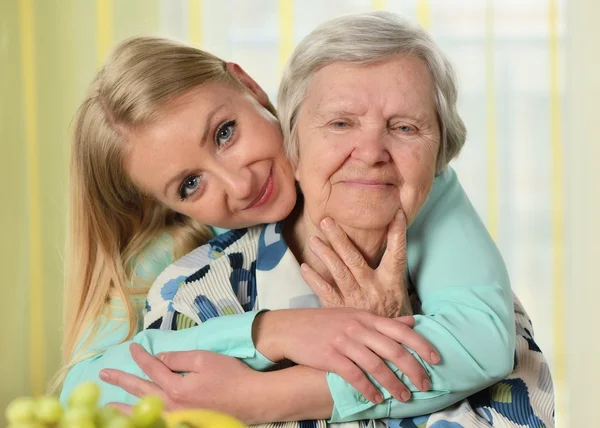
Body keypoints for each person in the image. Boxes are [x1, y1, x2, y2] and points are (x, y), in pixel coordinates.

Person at [59, 11, 553, 428]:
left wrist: (266, 396)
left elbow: (484, 341)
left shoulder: (400, 183)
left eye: (226, 133)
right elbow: (84, 387)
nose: (240, 184)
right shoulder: (178, 261)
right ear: (172, 205)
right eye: (191, 184)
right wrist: (271, 332)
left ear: (250, 86)